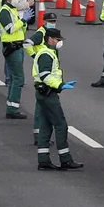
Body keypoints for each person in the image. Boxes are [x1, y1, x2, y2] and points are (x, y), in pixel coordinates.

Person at [32, 27, 82, 170]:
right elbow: (45, 76)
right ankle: (65, 159)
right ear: (50, 39)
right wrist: (60, 85)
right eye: (58, 40)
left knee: (46, 126)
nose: (59, 42)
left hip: (44, 93)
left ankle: (43, 160)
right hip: (48, 94)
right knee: (61, 125)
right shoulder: (46, 54)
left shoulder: (49, 52)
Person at [0, 0, 29, 119]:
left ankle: (12, 106)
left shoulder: (13, 10)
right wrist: (22, 21)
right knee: (18, 78)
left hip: (18, 46)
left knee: (15, 78)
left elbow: (20, 30)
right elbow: (10, 29)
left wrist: (24, 23)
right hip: (11, 47)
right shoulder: (5, 11)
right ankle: (12, 108)